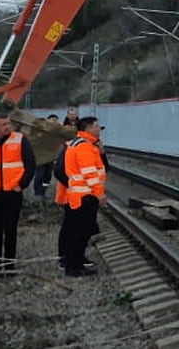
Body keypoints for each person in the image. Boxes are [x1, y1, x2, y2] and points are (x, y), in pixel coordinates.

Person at [0, 109, 36, 277]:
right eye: (3, 125)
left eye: (8, 123)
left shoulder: (20, 140)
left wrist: (22, 185)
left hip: (12, 193)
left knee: (10, 230)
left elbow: (30, 165)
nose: (7, 127)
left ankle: (10, 266)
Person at [61, 116, 106, 277]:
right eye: (97, 126)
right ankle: (75, 267)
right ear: (88, 128)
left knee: (76, 233)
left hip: (77, 196)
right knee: (79, 234)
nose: (99, 129)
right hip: (85, 196)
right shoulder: (84, 147)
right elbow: (90, 174)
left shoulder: (76, 143)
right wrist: (100, 195)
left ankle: (74, 264)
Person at [30, 114, 60, 200]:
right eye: (52, 120)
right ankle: (38, 193)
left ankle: (43, 192)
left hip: (50, 158)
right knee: (40, 174)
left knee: (48, 176)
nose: (54, 122)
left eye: (55, 120)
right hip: (40, 158)